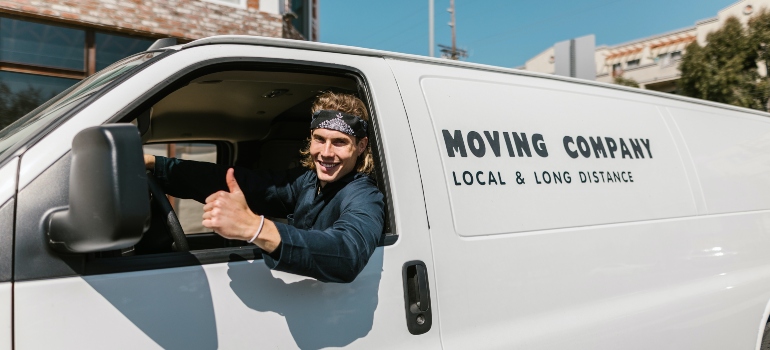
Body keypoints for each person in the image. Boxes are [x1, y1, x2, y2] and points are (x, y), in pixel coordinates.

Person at [144, 92, 385, 283]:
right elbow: (248, 184)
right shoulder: (307, 181)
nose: (326, 153)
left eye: (340, 142)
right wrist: (159, 166)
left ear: (361, 146)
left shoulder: (364, 195)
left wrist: (255, 227)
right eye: (320, 139)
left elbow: (347, 254)